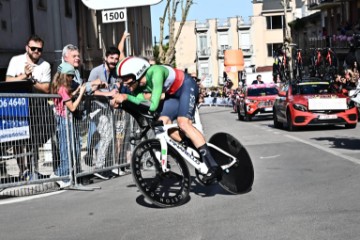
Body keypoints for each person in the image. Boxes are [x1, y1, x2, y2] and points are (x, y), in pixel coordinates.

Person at [111, 57, 223, 182]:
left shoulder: (156, 72)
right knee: (162, 124)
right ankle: (194, 147)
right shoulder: (136, 87)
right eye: (122, 79)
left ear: (137, 73)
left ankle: (213, 165)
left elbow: (152, 106)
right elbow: (139, 103)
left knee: (183, 123)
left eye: (126, 79)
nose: (124, 83)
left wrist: (126, 97)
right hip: (172, 96)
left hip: (186, 86)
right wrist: (122, 103)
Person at [5, 34, 51, 180]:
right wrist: (24, 76)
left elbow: (46, 88)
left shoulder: (45, 65)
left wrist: (31, 79)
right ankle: (22, 171)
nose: (36, 51)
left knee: (34, 139)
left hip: (36, 106)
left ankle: (32, 169)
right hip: (18, 105)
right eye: (33, 48)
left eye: (39, 49)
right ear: (27, 48)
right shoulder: (16, 60)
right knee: (18, 138)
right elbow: (8, 81)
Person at [50, 62, 86, 189]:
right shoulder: (62, 89)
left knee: (73, 149)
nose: (72, 78)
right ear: (65, 76)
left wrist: (76, 91)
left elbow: (68, 99)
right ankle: (61, 175)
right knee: (66, 150)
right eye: (70, 75)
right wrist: (81, 93)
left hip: (65, 120)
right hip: (64, 121)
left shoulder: (60, 87)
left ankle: (62, 174)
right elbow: (72, 106)